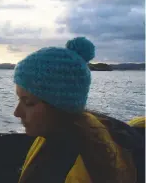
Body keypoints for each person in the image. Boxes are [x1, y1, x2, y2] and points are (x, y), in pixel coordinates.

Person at [13, 37, 143, 183]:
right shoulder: (69, 134)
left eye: (28, 102)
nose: (17, 112)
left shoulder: (75, 166)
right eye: (19, 99)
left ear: (59, 106)